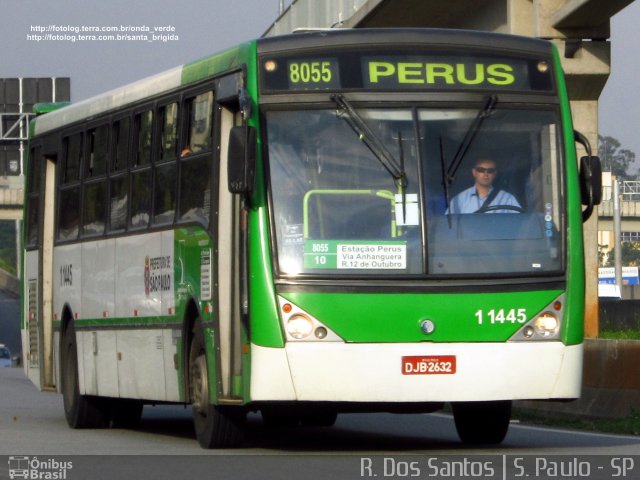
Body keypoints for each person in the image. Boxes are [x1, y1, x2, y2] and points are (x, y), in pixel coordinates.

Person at [447, 158, 521, 214]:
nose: (486, 174)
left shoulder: (507, 199)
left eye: (490, 171)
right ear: (474, 172)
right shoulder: (459, 200)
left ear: (495, 174)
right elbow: (448, 227)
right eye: (481, 170)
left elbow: (519, 223)